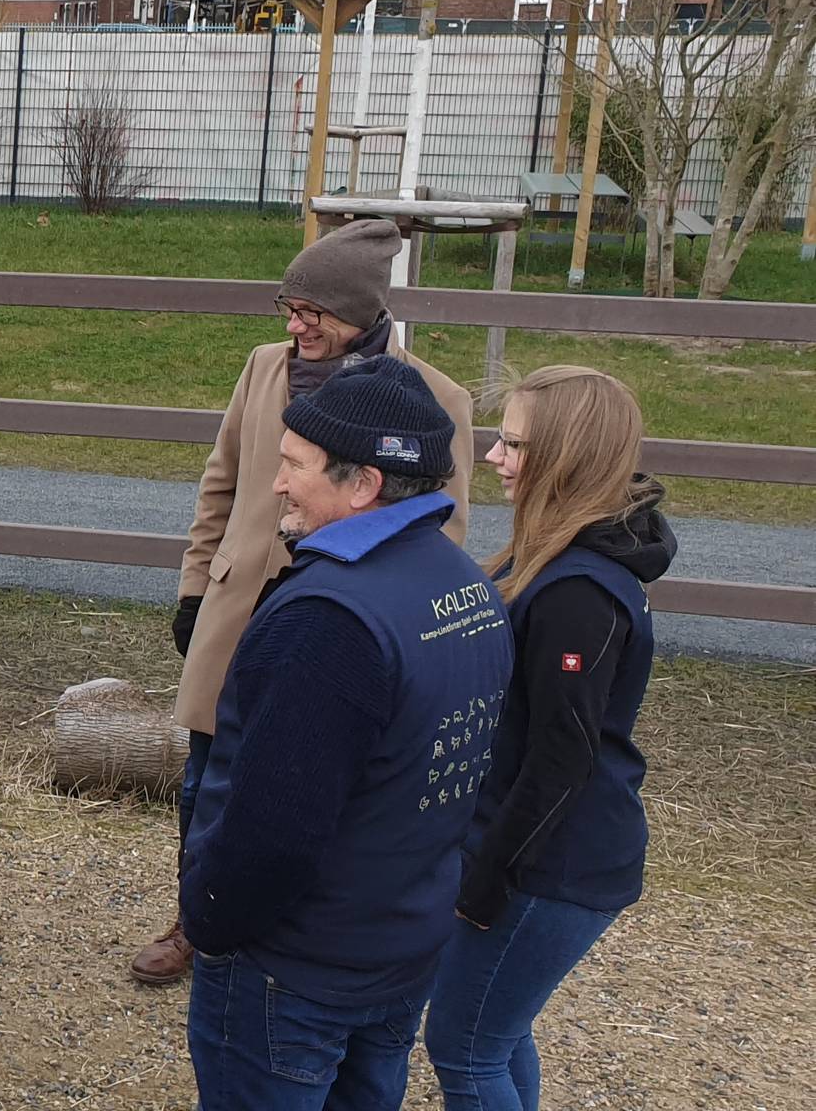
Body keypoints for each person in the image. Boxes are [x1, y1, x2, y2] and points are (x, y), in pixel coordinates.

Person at [135, 218, 481, 986]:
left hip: (344, 627)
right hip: (239, 615)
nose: (293, 326)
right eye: (288, 309)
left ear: (358, 311)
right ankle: (199, 918)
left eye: (310, 312)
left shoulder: (437, 398)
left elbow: (443, 529)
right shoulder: (263, 369)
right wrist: (197, 589)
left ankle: (286, 921)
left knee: (304, 784)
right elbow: (221, 483)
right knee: (207, 776)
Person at [180, 354, 515, 1110]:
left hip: (294, 970)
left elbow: (275, 827)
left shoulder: (328, 619)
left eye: (295, 464)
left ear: (362, 484)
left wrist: (208, 916)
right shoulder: (466, 587)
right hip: (400, 947)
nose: (275, 482)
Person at [425, 367, 675, 1111]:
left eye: (514, 444)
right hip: (543, 850)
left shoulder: (576, 592)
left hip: (554, 865)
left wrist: (487, 877)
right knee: (498, 1035)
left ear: (567, 456)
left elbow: (564, 757)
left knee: (465, 1050)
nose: (495, 457)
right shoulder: (558, 559)